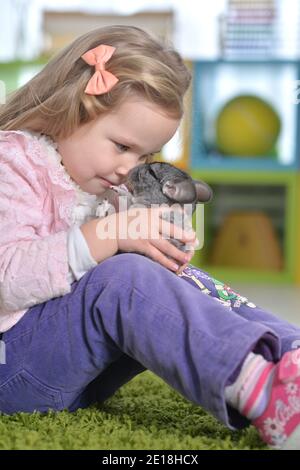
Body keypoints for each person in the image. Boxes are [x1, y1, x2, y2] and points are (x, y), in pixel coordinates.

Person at [0, 25, 299, 450]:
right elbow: (6, 278)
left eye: (144, 155)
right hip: (13, 369)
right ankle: (266, 395)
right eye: (122, 146)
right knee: (122, 277)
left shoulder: (101, 182)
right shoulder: (13, 161)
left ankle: (288, 353)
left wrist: (160, 240)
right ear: (73, 107)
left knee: (172, 275)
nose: (130, 168)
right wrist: (111, 236)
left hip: (74, 372)